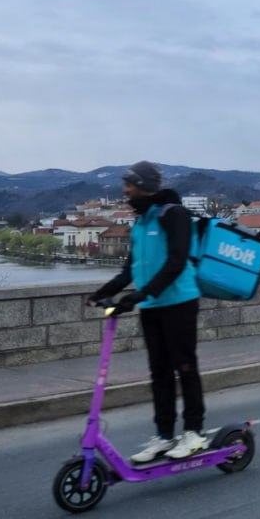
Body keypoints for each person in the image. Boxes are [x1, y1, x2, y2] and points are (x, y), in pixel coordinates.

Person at [88, 161, 208, 463]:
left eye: (129, 184)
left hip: (179, 302)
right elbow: (130, 269)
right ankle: (164, 436)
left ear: (144, 185)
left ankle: (194, 433)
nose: (125, 190)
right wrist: (102, 293)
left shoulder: (173, 214)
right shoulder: (141, 222)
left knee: (185, 367)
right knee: (159, 374)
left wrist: (141, 294)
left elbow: (177, 261)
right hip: (152, 307)